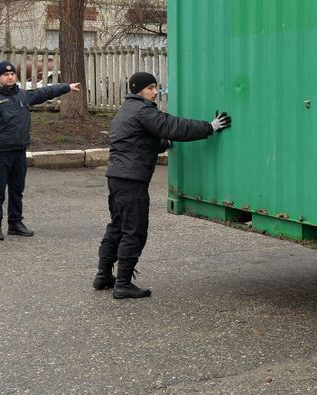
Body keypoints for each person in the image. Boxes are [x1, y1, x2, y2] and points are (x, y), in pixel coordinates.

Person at [95, 72, 232, 299]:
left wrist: (162, 144)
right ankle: (123, 284)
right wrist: (210, 127)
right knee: (134, 230)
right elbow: (174, 126)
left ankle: (103, 275)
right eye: (150, 87)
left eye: (155, 87)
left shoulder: (125, 111)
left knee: (117, 226)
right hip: (132, 180)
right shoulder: (143, 110)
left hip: (117, 178)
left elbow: (136, 140)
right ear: (138, 90)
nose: (155, 91)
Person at [0, 60, 81, 241]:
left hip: (19, 152)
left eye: (12, 74)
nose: (9, 77)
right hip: (0, 153)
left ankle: (15, 223)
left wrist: (66, 87)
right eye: (5, 75)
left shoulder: (22, 95)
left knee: (17, 190)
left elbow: (44, 92)